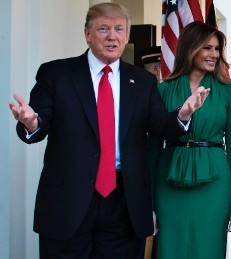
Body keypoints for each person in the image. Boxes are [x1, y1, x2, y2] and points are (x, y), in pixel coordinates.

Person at [8, 3, 209, 258]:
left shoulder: (143, 81)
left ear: (126, 36)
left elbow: (159, 125)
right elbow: (39, 123)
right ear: (87, 34)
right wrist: (30, 123)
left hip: (124, 202)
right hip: (68, 199)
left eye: (119, 29)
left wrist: (182, 115)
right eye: (103, 28)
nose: (112, 36)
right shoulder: (56, 73)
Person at [147, 21, 231, 259]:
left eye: (217, 49)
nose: (214, 54)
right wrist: (147, 202)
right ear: (191, 48)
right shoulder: (162, 90)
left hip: (215, 181)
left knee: (208, 248)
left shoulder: (228, 91)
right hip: (168, 177)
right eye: (207, 48)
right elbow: (152, 149)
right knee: (171, 248)